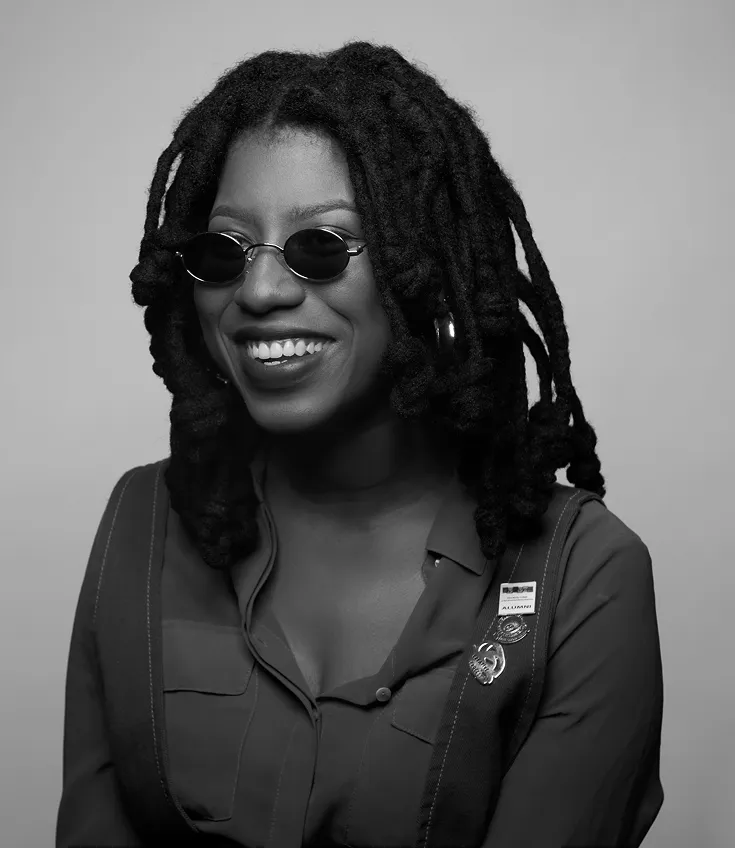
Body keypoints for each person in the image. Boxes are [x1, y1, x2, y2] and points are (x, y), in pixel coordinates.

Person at [56, 41, 664, 848]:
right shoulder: (141, 522)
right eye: (223, 251)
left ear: (425, 271)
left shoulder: (584, 578)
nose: (259, 290)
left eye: (320, 247)